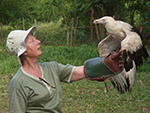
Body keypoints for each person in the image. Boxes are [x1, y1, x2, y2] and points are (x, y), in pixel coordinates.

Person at [6, 26, 124, 113]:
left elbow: (80, 71)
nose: (38, 41)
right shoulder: (18, 83)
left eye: (35, 39)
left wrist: (105, 64)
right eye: (32, 41)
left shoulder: (52, 67)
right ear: (24, 51)